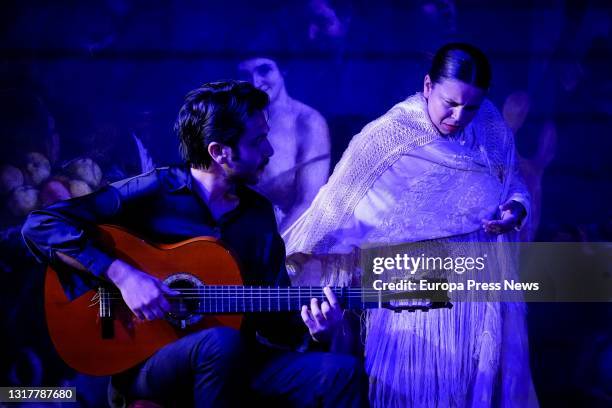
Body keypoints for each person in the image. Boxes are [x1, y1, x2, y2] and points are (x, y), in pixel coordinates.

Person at [22, 81, 366, 407]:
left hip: (238, 358)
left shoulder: (258, 215)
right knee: (221, 342)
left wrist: (319, 330)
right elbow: (41, 224)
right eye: (258, 140)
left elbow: (276, 320)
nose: (270, 150)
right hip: (150, 362)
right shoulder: (155, 190)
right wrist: (124, 277)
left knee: (341, 373)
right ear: (219, 152)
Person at [284, 43, 538, 406]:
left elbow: (511, 181)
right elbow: (334, 212)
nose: (460, 115)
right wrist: (302, 263)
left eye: (471, 106)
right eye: (450, 103)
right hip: (413, 298)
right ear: (428, 86)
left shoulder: (490, 123)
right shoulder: (387, 138)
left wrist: (515, 208)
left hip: (482, 292)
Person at [237, 57, 330, 232]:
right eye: (245, 74)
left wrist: (271, 251)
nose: (255, 82)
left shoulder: (308, 122)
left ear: (283, 70)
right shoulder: (233, 119)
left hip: (288, 237)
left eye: (264, 70)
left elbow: (308, 203)